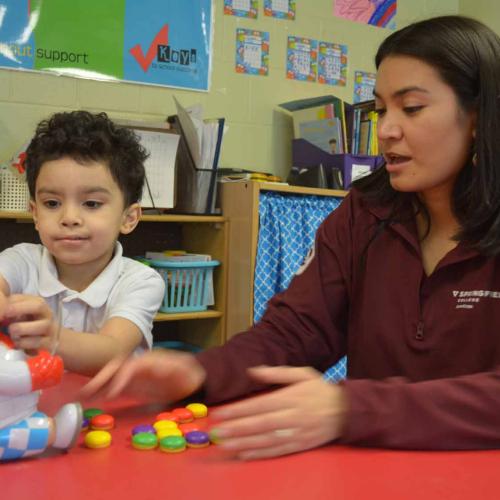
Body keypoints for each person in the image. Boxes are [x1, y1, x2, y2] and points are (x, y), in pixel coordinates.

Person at [82, 15, 500, 459]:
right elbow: (297, 331)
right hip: (374, 471)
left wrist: (350, 408)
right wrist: (201, 373)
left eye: (411, 108)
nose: (386, 130)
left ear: (478, 117)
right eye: (380, 110)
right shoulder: (364, 213)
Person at [0, 111, 165, 376]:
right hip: (35, 412)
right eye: (52, 204)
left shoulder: (141, 281)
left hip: (112, 413)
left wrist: (52, 338)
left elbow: (112, 351)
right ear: (35, 213)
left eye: (91, 204)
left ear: (128, 217)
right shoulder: (20, 261)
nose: (69, 218)